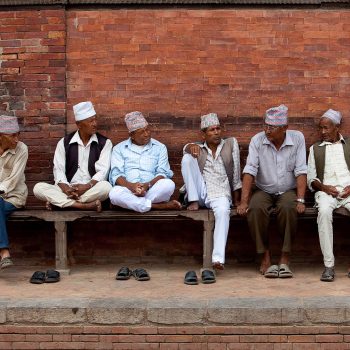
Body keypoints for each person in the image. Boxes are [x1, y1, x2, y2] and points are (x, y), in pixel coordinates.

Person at [237, 105, 307, 278]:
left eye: (272, 127)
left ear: (284, 128)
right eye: (265, 125)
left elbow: (301, 170)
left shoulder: (297, 138)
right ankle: (265, 256)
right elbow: (249, 170)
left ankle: (285, 258)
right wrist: (244, 201)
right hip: (264, 189)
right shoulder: (257, 140)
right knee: (255, 209)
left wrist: (300, 199)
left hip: (288, 190)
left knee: (288, 208)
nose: (267, 130)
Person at [181, 113, 242, 270]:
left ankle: (218, 259)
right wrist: (188, 147)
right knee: (187, 158)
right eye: (211, 130)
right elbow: (185, 149)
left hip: (221, 192)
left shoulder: (230, 144)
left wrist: (237, 199)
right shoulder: (197, 148)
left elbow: (236, 174)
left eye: (218, 129)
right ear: (204, 134)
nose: (216, 132)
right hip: (201, 192)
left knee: (223, 211)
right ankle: (193, 201)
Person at [33, 101, 112, 211]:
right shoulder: (64, 142)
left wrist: (86, 186)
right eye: (90, 121)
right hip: (68, 189)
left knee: (106, 187)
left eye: (95, 119)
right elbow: (58, 170)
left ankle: (61, 204)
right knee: (38, 188)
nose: (95, 124)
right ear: (79, 124)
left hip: (91, 189)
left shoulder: (104, 143)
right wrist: (66, 189)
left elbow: (102, 172)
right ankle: (84, 206)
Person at [307, 109, 350, 282]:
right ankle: (329, 266)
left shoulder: (348, 145)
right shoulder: (315, 149)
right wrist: (324, 187)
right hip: (326, 193)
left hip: (348, 192)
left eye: (326, 128)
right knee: (324, 212)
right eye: (320, 128)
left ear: (336, 127)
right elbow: (311, 179)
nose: (322, 132)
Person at [109, 111, 181, 212]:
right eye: (142, 132)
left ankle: (128, 205)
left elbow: (163, 173)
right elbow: (116, 175)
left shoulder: (160, 147)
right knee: (114, 193)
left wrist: (148, 185)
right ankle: (158, 206)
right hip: (128, 189)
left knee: (169, 184)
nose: (146, 134)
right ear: (132, 135)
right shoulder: (119, 149)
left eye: (147, 129)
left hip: (151, 189)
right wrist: (132, 186)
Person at [0, 115, 28, 269]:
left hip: (14, 197)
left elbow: (13, 180)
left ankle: (4, 251)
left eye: (18, 135)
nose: (16, 139)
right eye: (12, 136)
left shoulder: (22, 149)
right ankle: (4, 253)